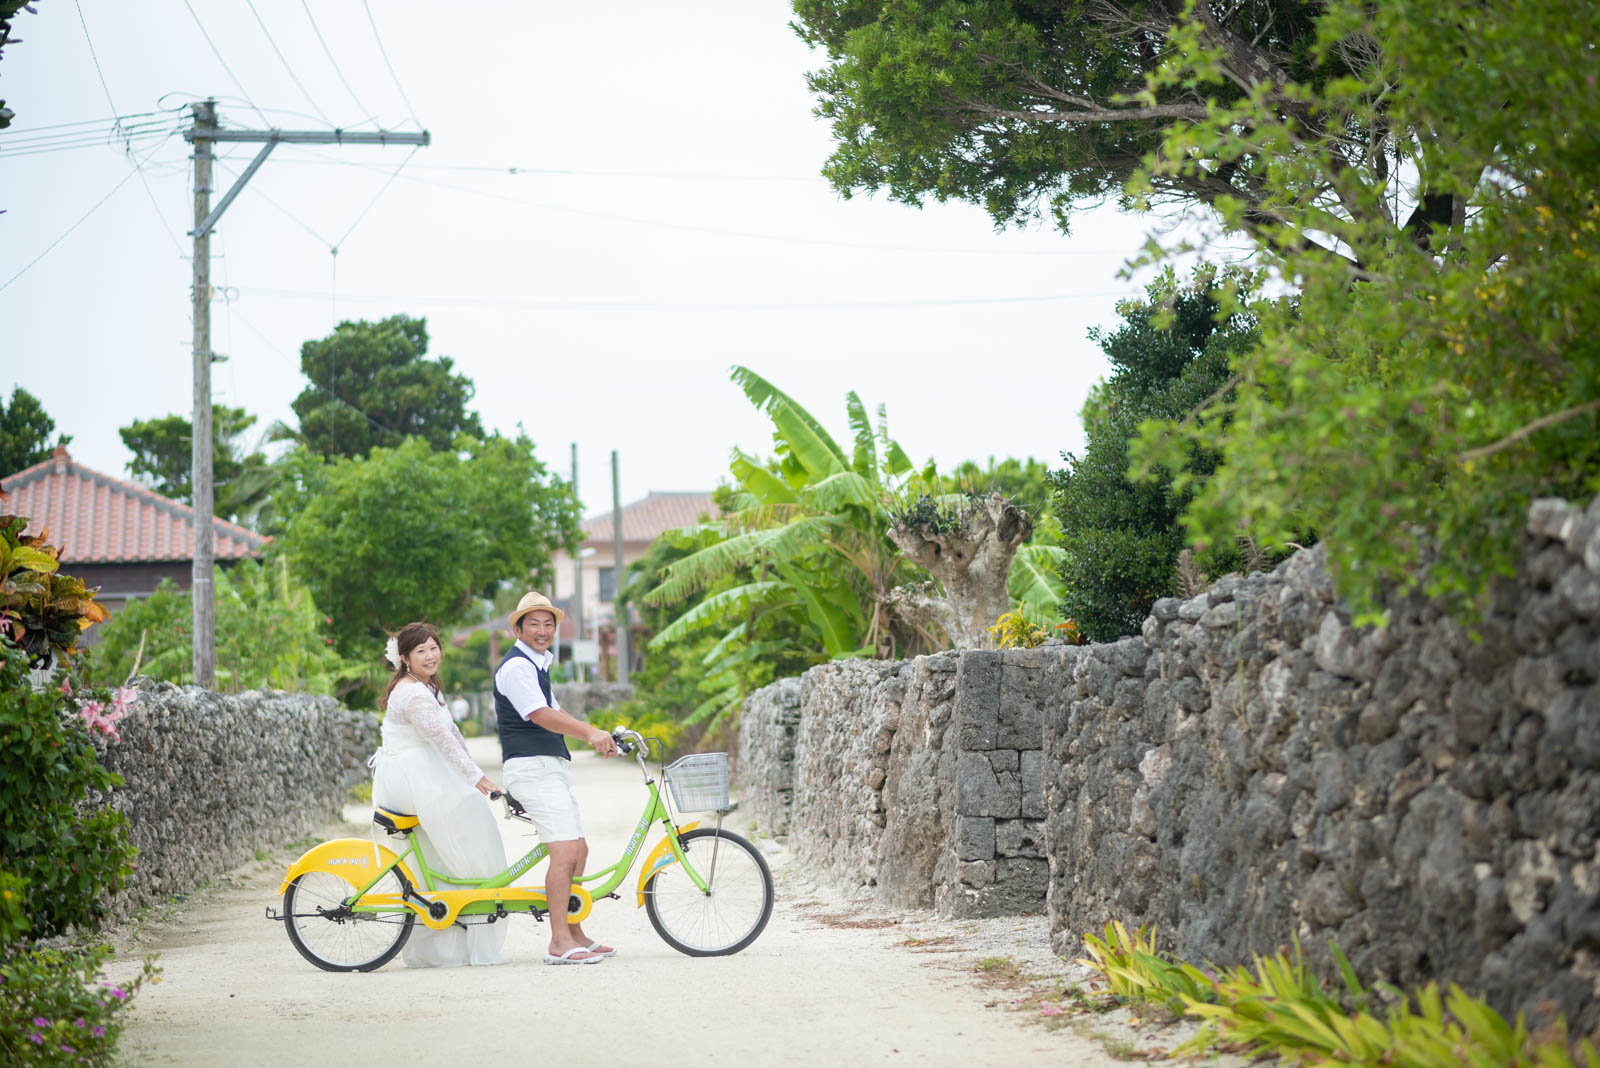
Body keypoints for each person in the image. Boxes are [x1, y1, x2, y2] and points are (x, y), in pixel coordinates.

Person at [370, 622, 508, 968]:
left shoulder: (426, 686)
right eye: (421, 651)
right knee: (463, 839)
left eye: (434, 647)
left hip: (425, 772)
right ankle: (457, 923)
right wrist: (476, 779)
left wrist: (475, 772)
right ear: (405, 658)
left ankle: (456, 928)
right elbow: (441, 740)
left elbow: (453, 732)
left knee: (443, 855)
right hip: (414, 777)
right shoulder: (413, 693)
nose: (431, 656)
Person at [494, 591, 620, 965]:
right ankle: (559, 941)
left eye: (548, 623)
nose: (542, 630)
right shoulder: (517, 667)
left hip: (548, 766)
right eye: (533, 623)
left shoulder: (539, 665)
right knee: (564, 852)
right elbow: (540, 714)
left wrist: (602, 734)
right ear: (518, 628)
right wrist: (590, 734)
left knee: (578, 849)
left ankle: (576, 931)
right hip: (530, 769)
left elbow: (556, 708)